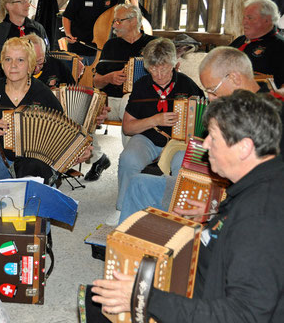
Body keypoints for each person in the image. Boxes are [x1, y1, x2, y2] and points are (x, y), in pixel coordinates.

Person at [91, 90, 284, 323]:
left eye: (213, 137)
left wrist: (145, 298)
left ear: (244, 147)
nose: (206, 145)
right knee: (99, 297)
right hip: (203, 287)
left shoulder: (260, 220)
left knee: (99, 307)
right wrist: (215, 214)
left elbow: (242, 315)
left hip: (207, 307)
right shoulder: (265, 180)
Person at [118, 46, 283, 224]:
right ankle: (124, 244)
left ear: (234, 78)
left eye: (212, 90)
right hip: (207, 188)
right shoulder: (232, 107)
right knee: (138, 184)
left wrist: (215, 209)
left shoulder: (270, 116)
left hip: (226, 201)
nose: (210, 98)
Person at [0, 37, 91, 186]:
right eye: (8, 59)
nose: (13, 65)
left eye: (20, 60)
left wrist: (77, 151)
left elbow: (63, 132)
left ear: (30, 65)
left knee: (31, 181)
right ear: (2, 63)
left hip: (34, 157)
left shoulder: (43, 94)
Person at [112, 38, 203, 225]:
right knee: (128, 159)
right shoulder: (142, 86)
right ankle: (122, 212)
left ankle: (177, 215)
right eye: (153, 69)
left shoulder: (187, 85)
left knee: (183, 163)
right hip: (148, 138)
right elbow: (128, 128)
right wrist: (155, 120)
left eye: (164, 68)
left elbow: (203, 121)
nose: (159, 74)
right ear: (147, 67)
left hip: (179, 143)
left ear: (174, 65)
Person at [85, 4, 156, 182]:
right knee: (80, 111)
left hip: (141, 106)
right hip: (109, 103)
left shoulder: (152, 45)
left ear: (133, 21)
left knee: (127, 99)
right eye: (114, 21)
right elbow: (96, 82)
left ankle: (130, 162)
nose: (114, 25)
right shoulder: (110, 45)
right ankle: (98, 158)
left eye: (118, 21)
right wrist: (108, 78)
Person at [0, 0, 48, 82]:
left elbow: (48, 56)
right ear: (9, 6)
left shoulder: (38, 29)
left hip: (39, 83)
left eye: (28, 1)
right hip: (8, 85)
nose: (28, 5)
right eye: (23, 1)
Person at [229, 0, 284, 87]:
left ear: (267, 20)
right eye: (244, 17)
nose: (244, 22)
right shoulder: (239, 41)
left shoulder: (280, 47)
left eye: (250, 18)